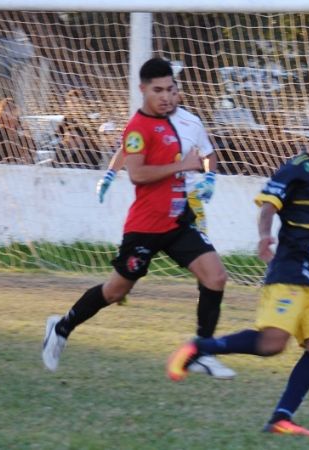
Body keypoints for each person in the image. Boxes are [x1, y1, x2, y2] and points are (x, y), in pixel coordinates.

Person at [166, 106, 309, 437]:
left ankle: (281, 417)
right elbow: (269, 204)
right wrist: (264, 235)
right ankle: (201, 347)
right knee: (272, 343)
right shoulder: (297, 168)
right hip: (292, 275)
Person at [42, 58, 235, 379]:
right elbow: (138, 174)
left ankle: (201, 351)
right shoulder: (138, 128)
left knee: (215, 277)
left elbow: (201, 153)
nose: (166, 97)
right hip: (145, 228)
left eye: (171, 90)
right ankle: (61, 327)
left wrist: (205, 176)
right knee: (116, 291)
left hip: (178, 222)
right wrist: (181, 167)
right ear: (143, 90)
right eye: (158, 90)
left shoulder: (181, 121)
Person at [97, 85, 218, 233]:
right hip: (154, 197)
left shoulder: (192, 122)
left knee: (202, 251)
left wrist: (210, 179)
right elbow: (126, 150)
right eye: (163, 92)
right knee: (136, 249)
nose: (167, 97)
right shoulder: (144, 122)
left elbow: (209, 153)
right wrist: (110, 175)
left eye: (172, 93)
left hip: (187, 197)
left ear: (179, 96)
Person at [54, 88, 102, 170]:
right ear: (67, 104)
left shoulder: (89, 121)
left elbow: (95, 137)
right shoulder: (64, 121)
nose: (74, 105)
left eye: (76, 102)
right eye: (71, 102)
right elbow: (58, 137)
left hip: (86, 152)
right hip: (70, 151)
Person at [0, 97, 36, 164]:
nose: (8, 114)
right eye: (5, 110)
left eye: (11, 110)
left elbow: (32, 148)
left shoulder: (21, 128)